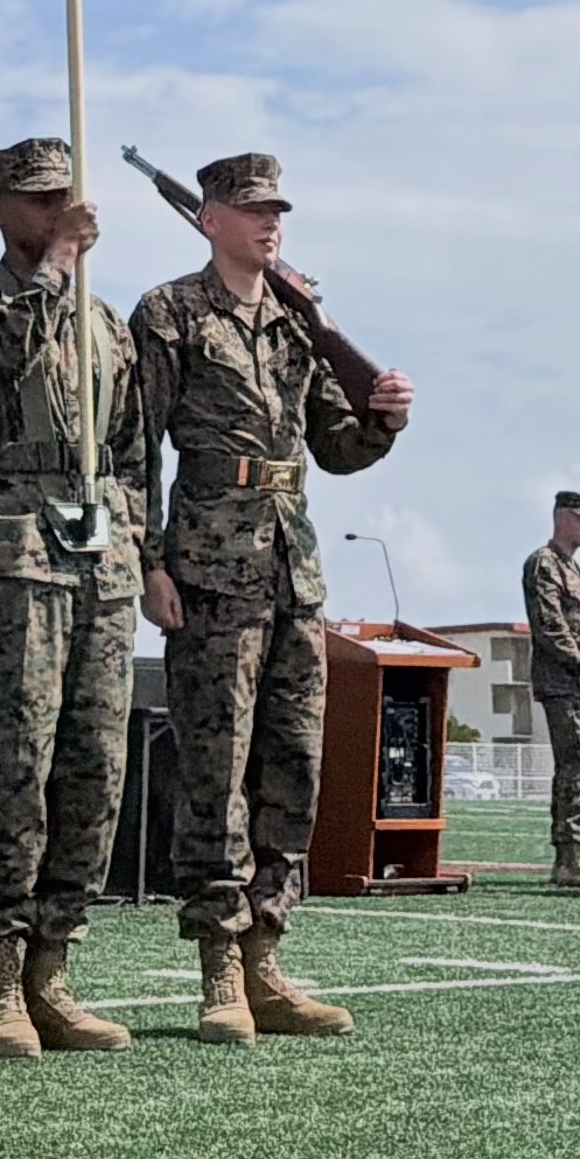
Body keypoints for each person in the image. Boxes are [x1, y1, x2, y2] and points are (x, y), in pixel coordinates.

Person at [134, 153, 413, 1044]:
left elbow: (335, 444)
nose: (270, 222)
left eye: (277, 210)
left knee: (293, 760)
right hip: (211, 566)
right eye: (252, 208)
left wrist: (384, 417)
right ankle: (218, 968)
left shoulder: (298, 321)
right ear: (208, 217)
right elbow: (134, 444)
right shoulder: (170, 312)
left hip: (294, 568)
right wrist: (149, 559)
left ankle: (266, 953)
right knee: (215, 766)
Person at [0, 137, 142, 1059]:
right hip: (11, 548)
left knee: (92, 770)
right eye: (36, 201)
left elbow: (136, 449)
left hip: (100, 559)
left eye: (66, 199)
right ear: (1, 208)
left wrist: (140, 540)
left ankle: (53, 967)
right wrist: (54, 264)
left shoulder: (105, 322)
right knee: (11, 763)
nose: (57, 212)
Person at [525, 492, 580, 890]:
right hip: (563, 683)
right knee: (579, 764)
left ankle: (574, 855)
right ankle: (570, 856)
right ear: (561, 517)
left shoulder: (572, 569)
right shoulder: (544, 565)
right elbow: (550, 626)